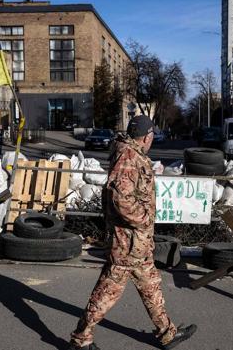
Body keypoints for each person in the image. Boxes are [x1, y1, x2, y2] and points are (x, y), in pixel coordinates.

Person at [68, 116, 197, 350]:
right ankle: (81, 339)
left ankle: (168, 333)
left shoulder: (132, 154)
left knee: (150, 285)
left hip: (138, 241)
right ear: (147, 136)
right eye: (151, 137)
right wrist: (145, 219)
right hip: (128, 242)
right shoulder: (128, 157)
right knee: (108, 292)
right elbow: (121, 199)